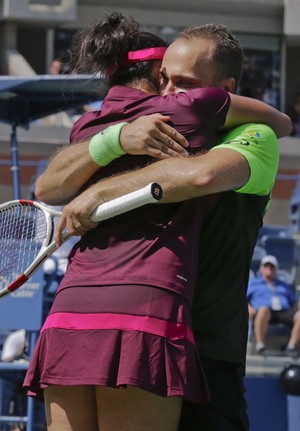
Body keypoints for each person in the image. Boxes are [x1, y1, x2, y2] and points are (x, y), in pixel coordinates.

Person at [26, 18, 292, 431]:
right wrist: (117, 137)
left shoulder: (255, 135)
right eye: (163, 79)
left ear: (226, 89)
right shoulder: (146, 126)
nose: (167, 93)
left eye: (183, 83)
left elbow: (195, 176)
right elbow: (48, 183)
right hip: (150, 332)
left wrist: (99, 193)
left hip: (206, 355)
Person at [247, 254, 300, 354]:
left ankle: (291, 347)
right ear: (261, 269)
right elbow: (243, 299)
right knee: (263, 310)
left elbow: (294, 301)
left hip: (284, 311)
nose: (269, 269)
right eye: (266, 266)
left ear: (276, 270)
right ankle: (260, 345)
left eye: (272, 267)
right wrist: (249, 307)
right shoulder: (254, 283)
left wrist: (295, 310)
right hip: (263, 312)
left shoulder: (283, 285)